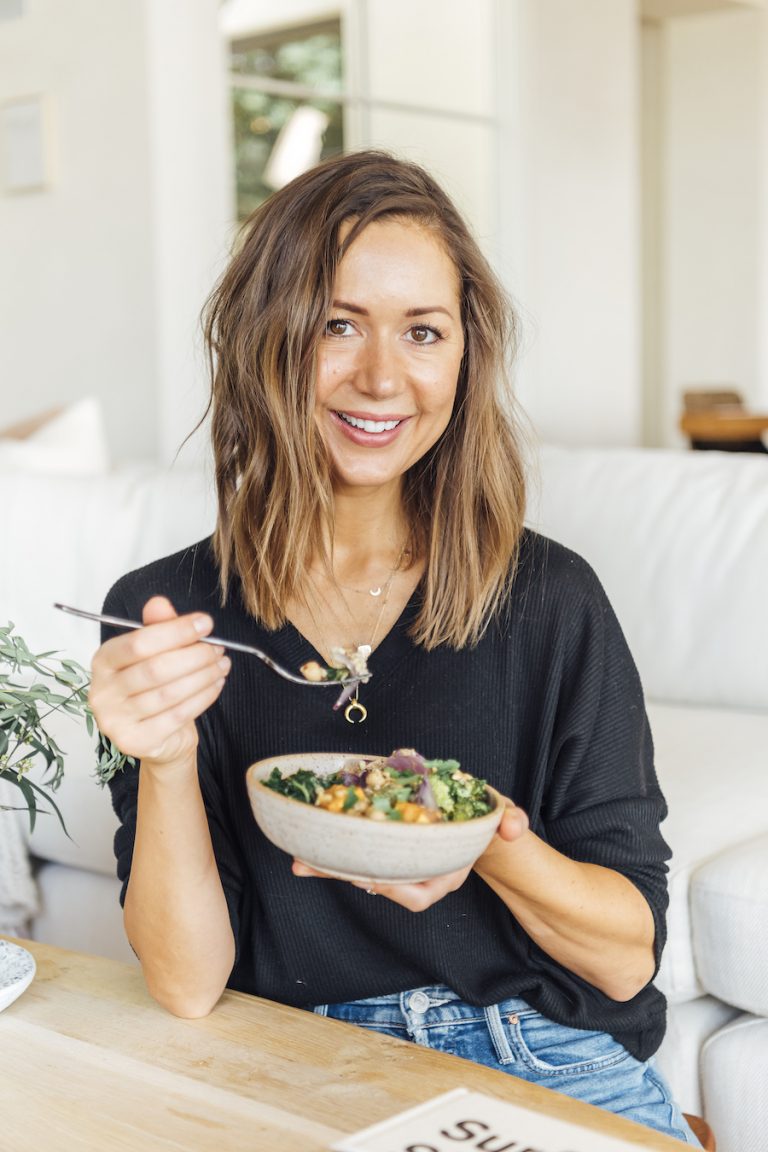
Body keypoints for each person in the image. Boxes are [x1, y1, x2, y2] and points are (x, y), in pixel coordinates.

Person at [89, 150, 701, 1146]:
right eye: (338, 325)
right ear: (265, 339)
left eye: (424, 331)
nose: (381, 377)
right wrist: (160, 758)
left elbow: (626, 959)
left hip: (539, 1052)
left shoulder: (551, 599)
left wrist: (486, 839)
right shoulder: (163, 614)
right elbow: (189, 984)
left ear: (465, 358)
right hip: (299, 1064)